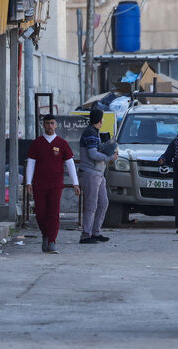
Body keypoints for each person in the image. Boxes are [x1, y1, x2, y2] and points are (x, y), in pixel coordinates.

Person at [25, 114, 80, 254]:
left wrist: (75, 183)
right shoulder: (37, 143)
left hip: (56, 184)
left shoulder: (62, 143)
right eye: (47, 123)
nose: (50, 126)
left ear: (56, 125)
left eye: (52, 123)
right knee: (41, 213)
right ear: (43, 125)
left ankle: (52, 241)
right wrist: (28, 182)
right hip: (39, 184)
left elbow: (70, 164)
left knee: (54, 213)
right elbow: (31, 163)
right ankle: (45, 234)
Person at [78, 108, 118, 244]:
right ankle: (86, 235)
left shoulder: (94, 132)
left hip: (98, 174)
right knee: (91, 205)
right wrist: (109, 157)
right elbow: (93, 154)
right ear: (100, 120)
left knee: (103, 202)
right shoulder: (90, 133)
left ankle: (95, 232)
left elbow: (97, 149)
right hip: (90, 174)